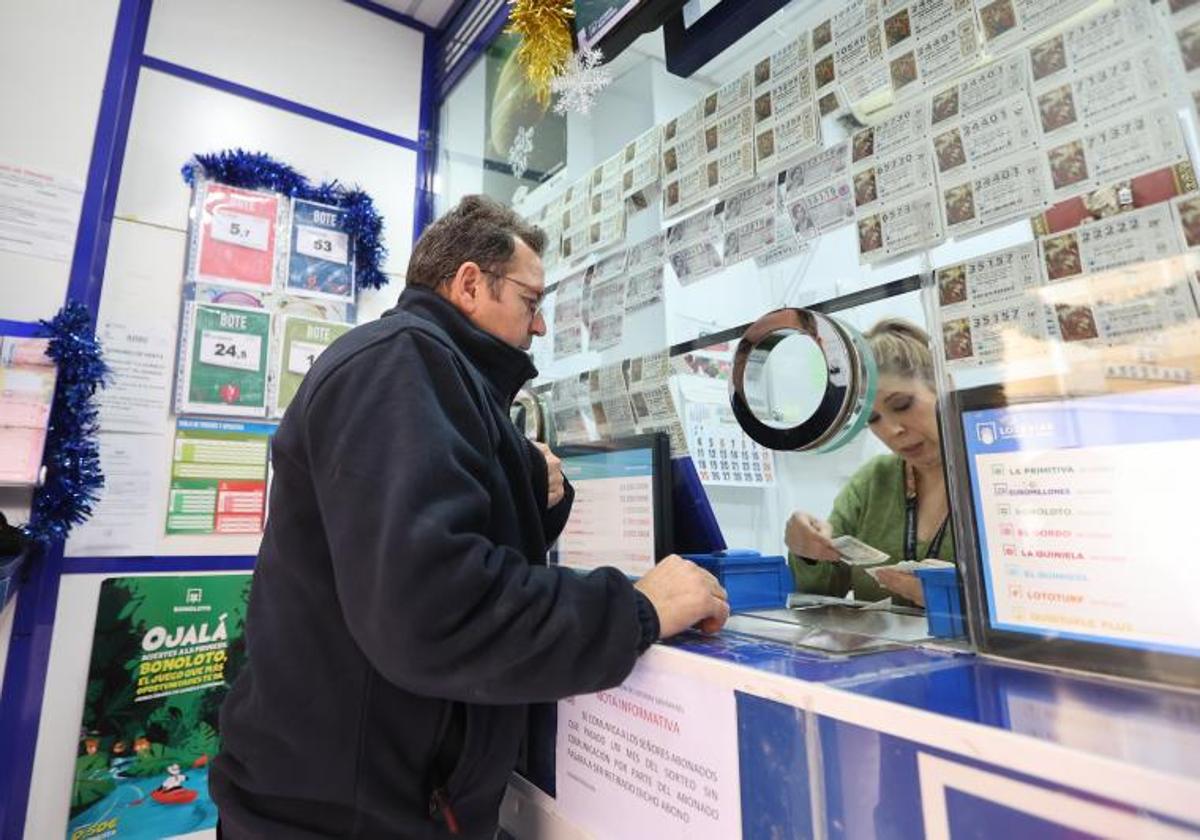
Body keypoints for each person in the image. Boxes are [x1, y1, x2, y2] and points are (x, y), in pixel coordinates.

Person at [209, 195, 729, 839]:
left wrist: (525, 481)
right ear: (470, 284)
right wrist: (636, 608)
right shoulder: (398, 364)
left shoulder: (431, 373)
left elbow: (445, 546)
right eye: (531, 301)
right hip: (344, 818)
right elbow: (434, 608)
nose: (539, 327)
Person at [783, 319, 953, 607]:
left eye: (902, 404)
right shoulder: (873, 481)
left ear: (944, 387)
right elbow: (822, 592)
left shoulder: (995, 476)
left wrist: (951, 599)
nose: (891, 430)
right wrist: (807, 551)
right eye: (871, 419)